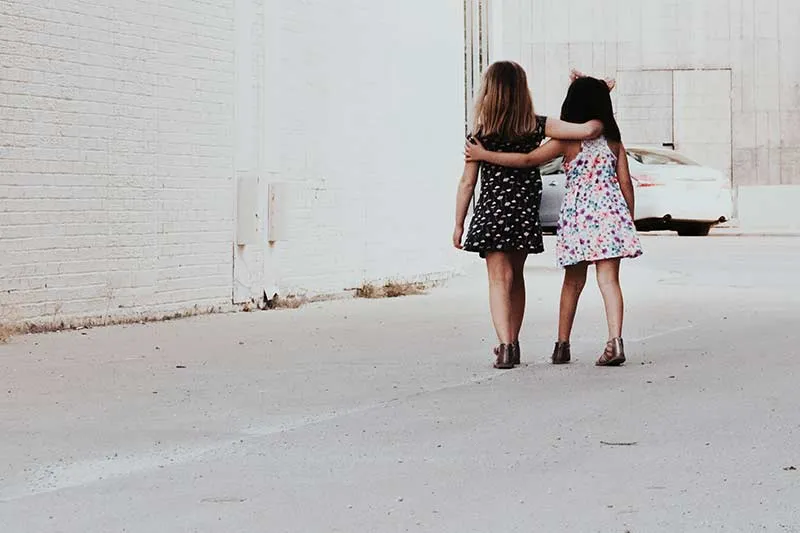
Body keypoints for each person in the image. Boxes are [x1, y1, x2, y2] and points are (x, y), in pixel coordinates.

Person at [464, 75, 642, 367]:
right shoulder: (614, 143)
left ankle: (562, 346)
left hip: (579, 219)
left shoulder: (565, 143)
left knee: (572, 282)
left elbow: (527, 160)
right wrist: (628, 220)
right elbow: (626, 183)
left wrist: (485, 155)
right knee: (609, 281)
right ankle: (615, 341)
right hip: (611, 217)